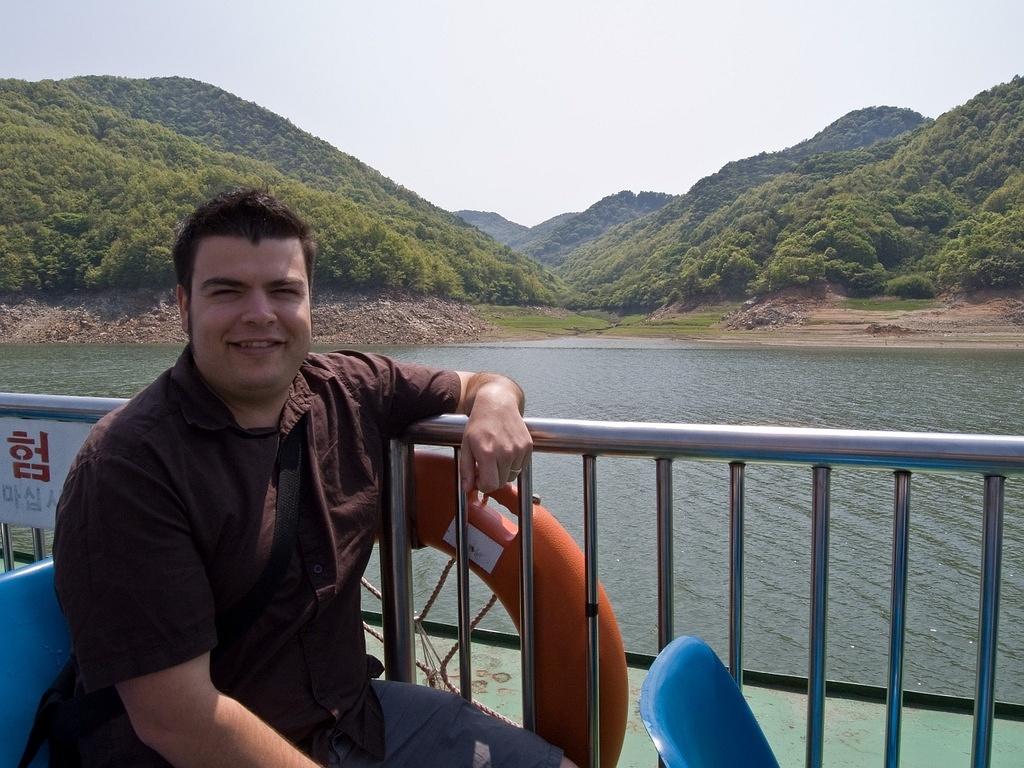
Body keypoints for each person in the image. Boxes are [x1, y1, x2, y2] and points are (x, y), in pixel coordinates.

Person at [53, 189, 574, 767]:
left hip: (353, 719)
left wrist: (498, 402)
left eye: (283, 291)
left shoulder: (350, 388)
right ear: (183, 305)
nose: (260, 314)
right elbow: (175, 718)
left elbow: (477, 381)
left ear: (309, 302)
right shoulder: (129, 467)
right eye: (227, 291)